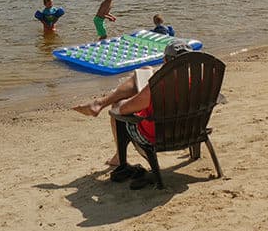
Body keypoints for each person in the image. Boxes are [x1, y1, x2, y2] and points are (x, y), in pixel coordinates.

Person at [71, 38, 193, 170]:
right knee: (145, 71)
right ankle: (99, 103)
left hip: (156, 135)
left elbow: (124, 110)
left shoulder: (158, 85)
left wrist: (125, 101)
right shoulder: (201, 79)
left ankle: (119, 155)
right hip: (190, 130)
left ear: (165, 61)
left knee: (117, 108)